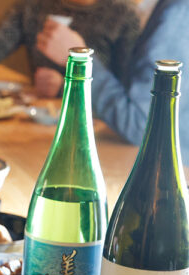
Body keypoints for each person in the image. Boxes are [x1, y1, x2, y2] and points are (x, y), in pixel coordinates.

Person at [36, 0, 189, 164]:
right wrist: (63, 86)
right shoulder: (155, 9)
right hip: (134, 157)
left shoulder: (176, 14)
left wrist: (80, 60)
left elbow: (141, 126)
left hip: (161, 171)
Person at [0, 0, 140, 97]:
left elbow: (126, 98)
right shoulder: (34, 5)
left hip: (95, 130)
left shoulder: (124, 16)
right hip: (35, 123)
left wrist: (64, 88)